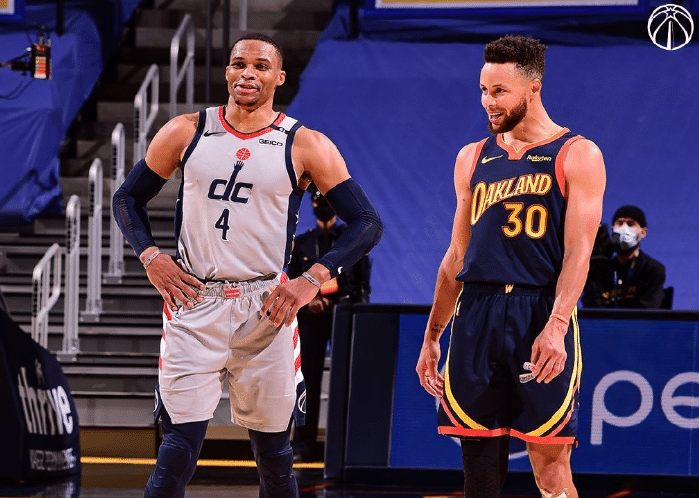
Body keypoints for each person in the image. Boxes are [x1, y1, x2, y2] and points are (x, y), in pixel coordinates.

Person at [112, 33, 383, 498]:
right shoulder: (186, 130)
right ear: (227, 72)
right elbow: (126, 199)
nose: (248, 74)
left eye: (261, 66)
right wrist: (151, 256)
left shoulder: (305, 143)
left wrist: (311, 280)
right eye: (239, 64)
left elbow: (367, 223)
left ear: (279, 77)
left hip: (266, 305)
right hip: (195, 301)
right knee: (176, 450)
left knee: (275, 457)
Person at [416, 35, 606, 498]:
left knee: (551, 469)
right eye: (483, 90)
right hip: (476, 312)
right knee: (478, 470)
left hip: (537, 310)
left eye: (499, 91)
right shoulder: (472, 157)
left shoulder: (577, 153)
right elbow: (456, 256)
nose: (488, 101)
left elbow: (579, 253)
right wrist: (433, 335)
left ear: (533, 87)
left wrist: (557, 325)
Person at [287, 185, 371, 462]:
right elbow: (292, 281)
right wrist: (309, 302)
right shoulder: (303, 243)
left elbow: (361, 285)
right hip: (310, 319)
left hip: (342, 316)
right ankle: (303, 442)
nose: (321, 207)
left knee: (348, 377)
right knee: (307, 379)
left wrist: (345, 308)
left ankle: (349, 444)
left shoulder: (350, 241)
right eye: (317, 202)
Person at [581, 205, 666, 308]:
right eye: (619, 223)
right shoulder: (603, 270)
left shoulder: (653, 269)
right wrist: (596, 264)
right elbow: (591, 307)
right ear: (613, 229)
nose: (624, 228)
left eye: (631, 224)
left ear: (643, 232)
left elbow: (648, 309)